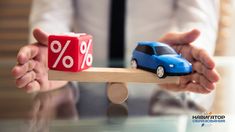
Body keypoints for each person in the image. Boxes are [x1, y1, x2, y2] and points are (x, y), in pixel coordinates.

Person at [12, 0, 220, 109]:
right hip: (82, 97)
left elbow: (198, 15)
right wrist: (53, 50)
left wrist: (191, 50)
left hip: (161, 101)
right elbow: (52, 10)